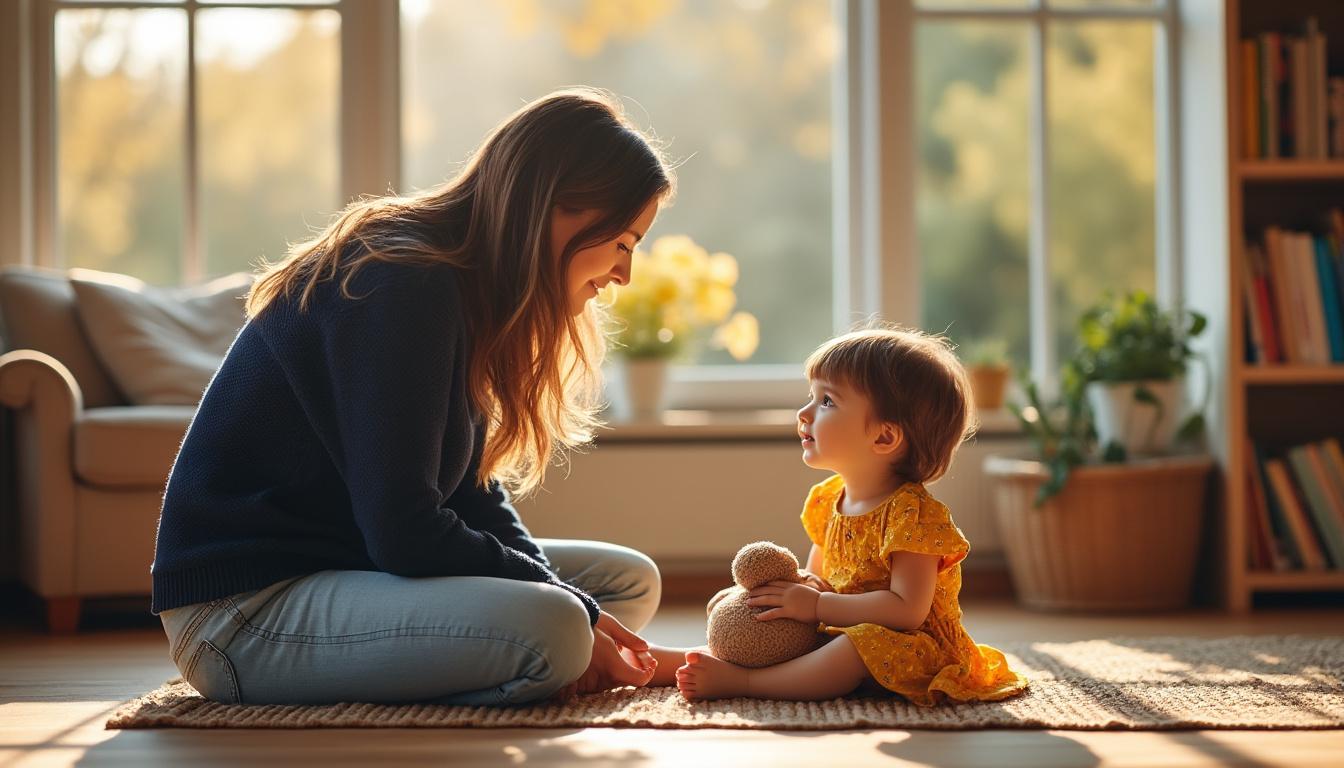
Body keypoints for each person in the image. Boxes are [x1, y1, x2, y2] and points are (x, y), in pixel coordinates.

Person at [151, 88, 675, 706]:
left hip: (351, 565)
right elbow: (404, 530)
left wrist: (576, 599)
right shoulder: (403, 281)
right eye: (624, 243)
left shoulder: (465, 288)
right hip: (244, 614)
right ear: (562, 208)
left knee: (626, 581)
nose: (624, 275)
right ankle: (536, 659)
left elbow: (469, 495)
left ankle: (524, 649)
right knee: (557, 630)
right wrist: (574, 613)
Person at [645, 327, 1030, 705]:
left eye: (826, 401)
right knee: (775, 628)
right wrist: (795, 597)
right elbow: (820, 578)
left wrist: (815, 606)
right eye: (810, 396)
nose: (804, 412)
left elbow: (906, 611)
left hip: (907, 647)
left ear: (883, 438)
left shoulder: (913, 516)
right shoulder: (829, 499)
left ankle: (748, 682)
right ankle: (667, 661)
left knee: (852, 648)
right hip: (839, 620)